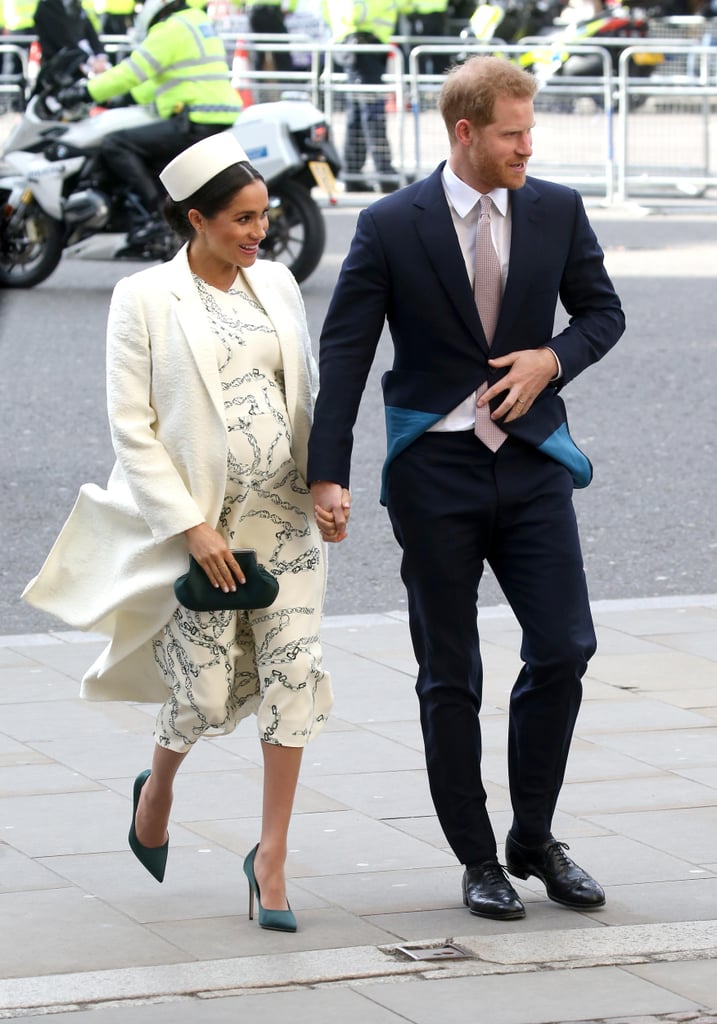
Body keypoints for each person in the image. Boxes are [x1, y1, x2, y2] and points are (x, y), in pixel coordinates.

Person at [307, 56, 624, 920]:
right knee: (450, 674)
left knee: (564, 646)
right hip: (433, 472)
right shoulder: (389, 224)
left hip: (529, 466)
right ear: (465, 133)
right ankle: (478, 858)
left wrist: (552, 358)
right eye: (513, 133)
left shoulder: (555, 208)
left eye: (531, 131)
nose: (529, 146)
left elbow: (603, 311)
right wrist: (325, 471)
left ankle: (533, 836)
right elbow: (344, 352)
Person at [23, 131, 335, 932]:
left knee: (292, 675)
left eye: (264, 215)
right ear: (195, 219)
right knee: (198, 693)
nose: (259, 233)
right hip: (205, 528)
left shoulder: (278, 287)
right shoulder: (144, 299)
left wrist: (327, 482)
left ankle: (271, 859)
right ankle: (157, 787)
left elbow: (308, 395)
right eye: (241, 219)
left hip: (285, 516)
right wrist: (192, 528)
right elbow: (132, 425)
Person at [58, 0, 243, 251]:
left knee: (115, 143)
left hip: (194, 119)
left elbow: (132, 72)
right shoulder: (198, 22)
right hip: (218, 114)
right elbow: (163, 78)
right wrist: (126, 98)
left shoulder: (170, 29)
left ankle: (155, 213)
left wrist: (87, 92)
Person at [324, 0, 399, 191]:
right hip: (363, 46)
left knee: (357, 113)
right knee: (372, 113)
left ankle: (353, 173)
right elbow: (356, 12)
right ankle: (384, 173)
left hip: (357, 45)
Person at [33, 0, 108, 70]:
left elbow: (91, 33)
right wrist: (90, 61)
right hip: (60, 66)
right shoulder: (47, 7)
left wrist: (100, 56)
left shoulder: (74, 4)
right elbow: (62, 40)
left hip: (85, 60)